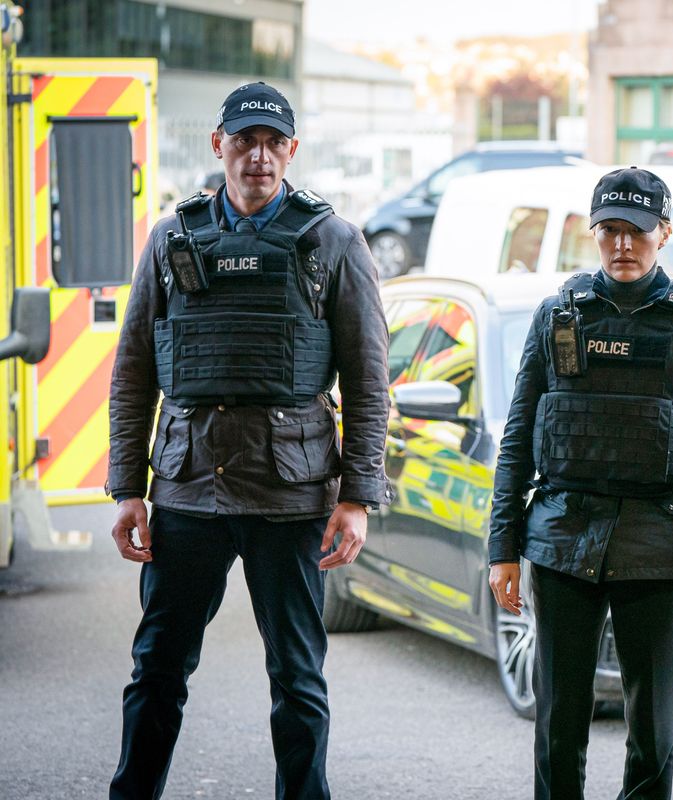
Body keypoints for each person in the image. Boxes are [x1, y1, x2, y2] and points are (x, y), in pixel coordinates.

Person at [106, 82, 390, 800]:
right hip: (187, 489)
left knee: (297, 679)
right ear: (218, 146)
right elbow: (134, 370)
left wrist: (357, 497)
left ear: (292, 151)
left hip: (289, 495)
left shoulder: (334, 240)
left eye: (273, 143)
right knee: (157, 672)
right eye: (244, 141)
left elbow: (367, 379)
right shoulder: (172, 238)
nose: (258, 157)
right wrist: (125, 491)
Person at [487, 167, 673, 800]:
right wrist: (502, 547)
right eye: (610, 231)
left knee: (653, 734)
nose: (623, 245)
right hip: (561, 543)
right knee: (557, 728)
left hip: (658, 551)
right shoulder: (557, 315)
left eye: (638, 232)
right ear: (591, 233)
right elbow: (518, 436)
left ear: (665, 235)